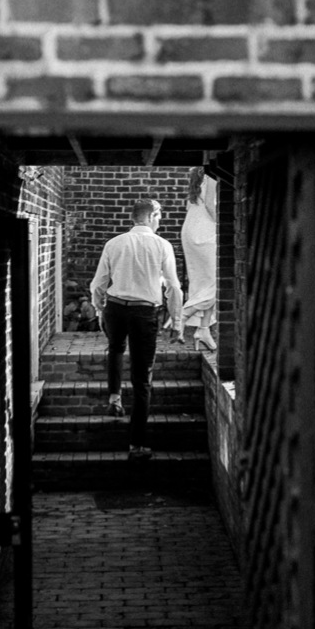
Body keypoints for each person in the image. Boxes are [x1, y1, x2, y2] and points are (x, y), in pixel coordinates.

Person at [91, 199, 183, 461]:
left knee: (116, 348)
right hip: (144, 312)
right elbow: (173, 288)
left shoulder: (114, 243)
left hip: (115, 308)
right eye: (160, 215)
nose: (160, 220)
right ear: (152, 216)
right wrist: (177, 323)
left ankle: (114, 396)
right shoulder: (162, 245)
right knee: (143, 378)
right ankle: (136, 445)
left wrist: (99, 309)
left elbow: (98, 283)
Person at [180, 167, 218, 351]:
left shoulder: (197, 177)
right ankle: (182, 315)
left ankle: (204, 329)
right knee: (217, 282)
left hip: (192, 227)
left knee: (206, 281)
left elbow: (190, 205)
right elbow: (211, 205)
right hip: (205, 231)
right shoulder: (213, 175)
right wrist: (226, 223)